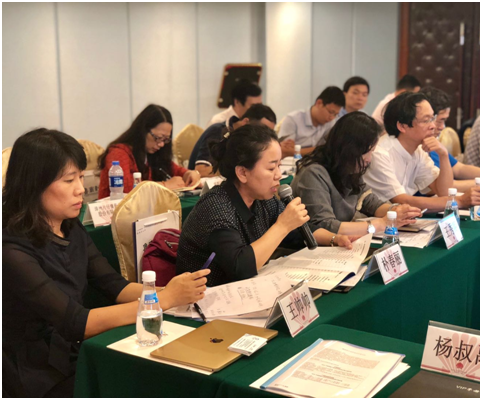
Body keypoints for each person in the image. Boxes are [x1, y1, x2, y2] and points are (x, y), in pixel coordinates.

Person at [2, 129, 210, 397]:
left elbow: (115, 286)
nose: (80, 189)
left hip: (75, 351)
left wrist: (172, 291)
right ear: (34, 184)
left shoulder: (69, 226)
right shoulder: (11, 250)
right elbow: (77, 322)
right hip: (37, 372)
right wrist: (165, 299)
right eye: (69, 180)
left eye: (80, 177)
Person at [176, 124, 357, 287]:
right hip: (204, 300)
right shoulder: (216, 208)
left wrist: (334, 239)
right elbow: (240, 267)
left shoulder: (263, 199)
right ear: (242, 173)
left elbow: (297, 232)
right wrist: (282, 225)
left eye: (279, 166)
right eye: (271, 168)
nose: (278, 175)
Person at [291, 112, 421, 235]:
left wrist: (395, 211)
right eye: (366, 152)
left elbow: (370, 202)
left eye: (372, 151)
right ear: (349, 149)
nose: (369, 159)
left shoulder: (348, 168)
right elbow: (325, 225)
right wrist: (381, 224)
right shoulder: (313, 173)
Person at [363, 92, 480, 213]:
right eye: (426, 120)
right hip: (374, 221)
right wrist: (458, 202)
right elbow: (402, 200)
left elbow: (443, 191)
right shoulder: (381, 154)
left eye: (432, 118)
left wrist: (443, 155)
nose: (433, 126)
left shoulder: (418, 150)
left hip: (401, 219)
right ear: (402, 126)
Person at [98, 104, 201, 199]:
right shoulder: (118, 153)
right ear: (143, 131)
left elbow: (174, 169)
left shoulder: (152, 152)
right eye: (158, 138)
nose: (161, 144)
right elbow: (126, 191)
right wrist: (165, 185)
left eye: (166, 139)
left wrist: (189, 173)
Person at [420, 86, 480, 192]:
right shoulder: (418, 148)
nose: (442, 127)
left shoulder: (433, 143)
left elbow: (459, 168)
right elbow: (440, 188)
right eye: (440, 120)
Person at [190, 104, 286, 177]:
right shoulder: (217, 131)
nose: (264, 138)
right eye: (261, 131)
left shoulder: (245, 139)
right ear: (246, 122)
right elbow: (200, 170)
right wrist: (240, 169)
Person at [278, 86, 345, 157]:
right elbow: (284, 150)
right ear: (319, 103)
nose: (332, 117)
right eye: (331, 112)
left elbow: (329, 149)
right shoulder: (293, 119)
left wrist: (297, 151)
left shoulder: (330, 123)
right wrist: (318, 150)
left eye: (335, 114)